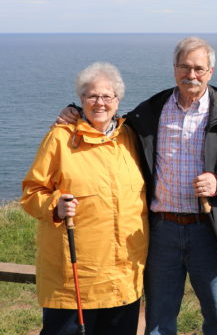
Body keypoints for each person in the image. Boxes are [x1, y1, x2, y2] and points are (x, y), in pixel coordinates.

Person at [58, 37, 217, 335]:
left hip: (211, 229)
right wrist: (75, 111)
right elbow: (107, 123)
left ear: (210, 72)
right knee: (158, 322)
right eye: (184, 67)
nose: (191, 75)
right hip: (161, 232)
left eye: (199, 68)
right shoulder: (151, 111)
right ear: (174, 68)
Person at [22, 62, 148, 335]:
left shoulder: (130, 137)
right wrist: (54, 206)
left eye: (107, 96)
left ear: (118, 100)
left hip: (124, 277)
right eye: (92, 96)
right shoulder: (59, 138)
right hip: (74, 280)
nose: (100, 103)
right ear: (80, 100)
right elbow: (31, 192)